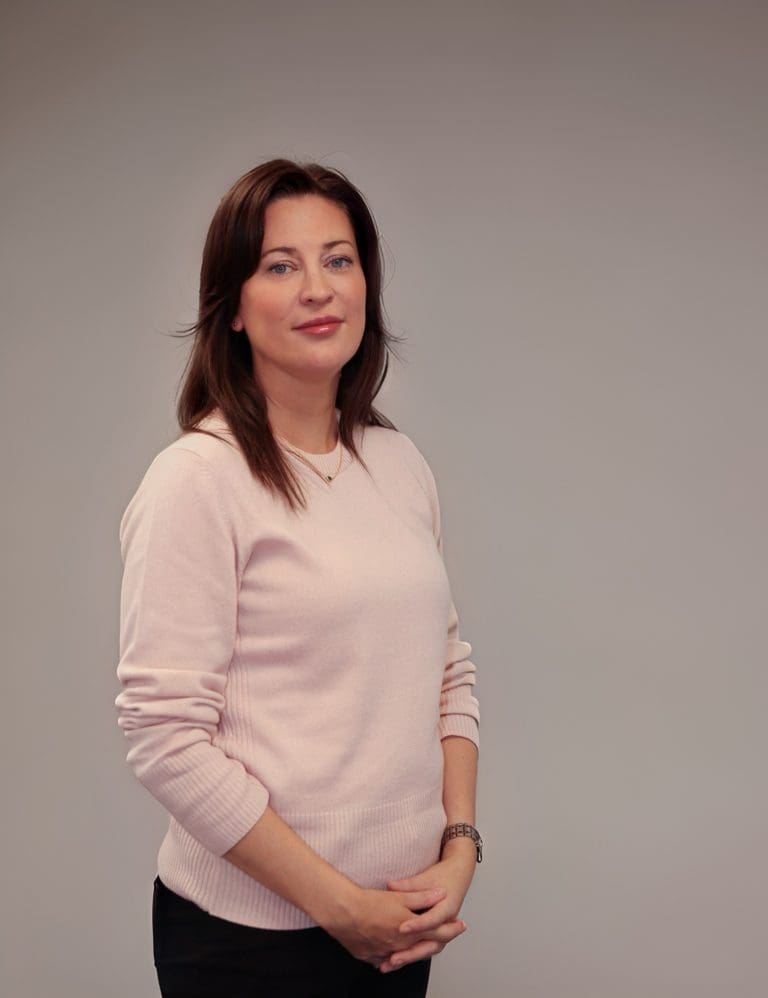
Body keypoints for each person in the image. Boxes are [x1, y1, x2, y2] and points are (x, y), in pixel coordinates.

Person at [114, 157, 482, 998]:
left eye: (338, 259)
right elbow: (165, 739)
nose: (319, 288)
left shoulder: (397, 464)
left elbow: (448, 675)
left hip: (399, 926)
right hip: (248, 947)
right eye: (281, 266)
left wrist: (459, 847)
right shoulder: (196, 481)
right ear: (233, 308)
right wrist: (338, 906)